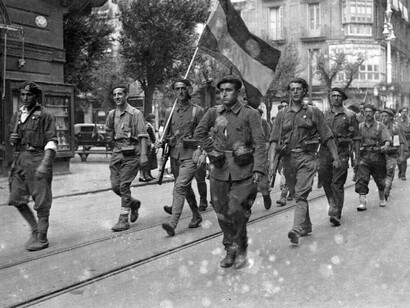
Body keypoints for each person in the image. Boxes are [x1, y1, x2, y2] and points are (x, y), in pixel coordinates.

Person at [194, 75, 267, 269]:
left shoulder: (249, 114)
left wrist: (260, 168)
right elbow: (199, 133)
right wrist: (211, 150)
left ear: (238, 93)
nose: (224, 94)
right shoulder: (213, 113)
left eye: (229, 90)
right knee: (221, 213)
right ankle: (230, 248)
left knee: (236, 211)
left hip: (243, 169)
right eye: (221, 91)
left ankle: (240, 247)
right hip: (219, 169)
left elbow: (260, 143)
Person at [269, 78, 341, 245]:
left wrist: (336, 157)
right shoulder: (281, 114)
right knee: (296, 195)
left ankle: (296, 229)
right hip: (288, 160)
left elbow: (327, 135)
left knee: (301, 194)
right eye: (292, 89)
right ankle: (306, 225)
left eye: (298, 89)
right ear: (289, 92)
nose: (295, 91)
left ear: (304, 91)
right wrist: (272, 163)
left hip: (307, 158)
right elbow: (273, 140)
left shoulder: (314, 112)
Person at [8, 81, 58, 251]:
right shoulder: (18, 115)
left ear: (36, 96)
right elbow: (13, 137)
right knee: (16, 198)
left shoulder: (45, 115)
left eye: (28, 95)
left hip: (38, 158)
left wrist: (46, 163)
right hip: (21, 159)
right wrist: (12, 140)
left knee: (41, 200)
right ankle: (34, 229)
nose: (25, 98)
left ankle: (42, 238)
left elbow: (51, 140)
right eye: (22, 94)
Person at [159, 79, 204, 236]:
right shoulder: (169, 112)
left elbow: (205, 134)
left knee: (179, 186)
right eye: (177, 89)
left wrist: (201, 151)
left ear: (189, 90)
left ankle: (173, 222)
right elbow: (166, 133)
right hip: (174, 155)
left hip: (191, 156)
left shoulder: (197, 111)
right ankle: (196, 215)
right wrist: (162, 141)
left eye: (183, 88)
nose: (180, 92)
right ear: (173, 92)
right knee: (185, 187)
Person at [105, 84, 149, 232]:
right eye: (115, 94)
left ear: (126, 96)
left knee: (124, 185)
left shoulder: (135, 114)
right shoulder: (112, 114)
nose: (117, 97)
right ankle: (133, 203)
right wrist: (114, 145)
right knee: (115, 185)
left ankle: (123, 220)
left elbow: (143, 135)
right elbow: (108, 131)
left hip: (132, 153)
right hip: (118, 152)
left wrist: (143, 155)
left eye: (120, 94)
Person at [318, 88, 360, 226]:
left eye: (338, 96)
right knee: (325, 179)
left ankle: (336, 211)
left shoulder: (350, 115)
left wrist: (356, 157)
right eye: (333, 96)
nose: (335, 98)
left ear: (343, 98)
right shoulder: (324, 115)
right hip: (325, 152)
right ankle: (332, 202)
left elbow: (356, 137)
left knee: (337, 182)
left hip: (342, 152)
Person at [355, 104, 391, 211]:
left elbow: (388, 139)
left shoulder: (380, 126)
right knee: (362, 179)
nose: (368, 114)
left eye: (370, 111)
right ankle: (362, 202)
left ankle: (381, 198)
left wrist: (386, 145)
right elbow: (355, 140)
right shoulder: (360, 126)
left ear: (375, 113)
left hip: (377, 157)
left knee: (380, 180)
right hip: (364, 157)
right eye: (366, 111)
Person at [380, 108, 406, 200]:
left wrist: (401, 155)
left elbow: (399, 143)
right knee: (381, 175)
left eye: (386, 116)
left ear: (391, 117)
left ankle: (386, 190)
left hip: (391, 155)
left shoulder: (394, 128)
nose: (383, 118)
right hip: (380, 155)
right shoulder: (379, 127)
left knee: (389, 172)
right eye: (382, 116)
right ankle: (385, 187)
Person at [139, 113, 157, 182]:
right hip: (147, 144)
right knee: (144, 161)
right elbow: (150, 135)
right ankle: (142, 176)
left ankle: (146, 175)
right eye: (153, 118)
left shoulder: (150, 126)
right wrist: (153, 142)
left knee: (148, 161)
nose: (155, 120)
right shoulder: (148, 126)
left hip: (149, 144)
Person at [396, 107, 410, 180]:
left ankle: (403, 174)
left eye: (405, 111)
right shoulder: (396, 121)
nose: (404, 113)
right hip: (398, 142)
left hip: (407, 142)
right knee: (399, 158)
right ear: (400, 112)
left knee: (404, 158)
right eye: (403, 111)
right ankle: (401, 170)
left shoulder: (409, 121)